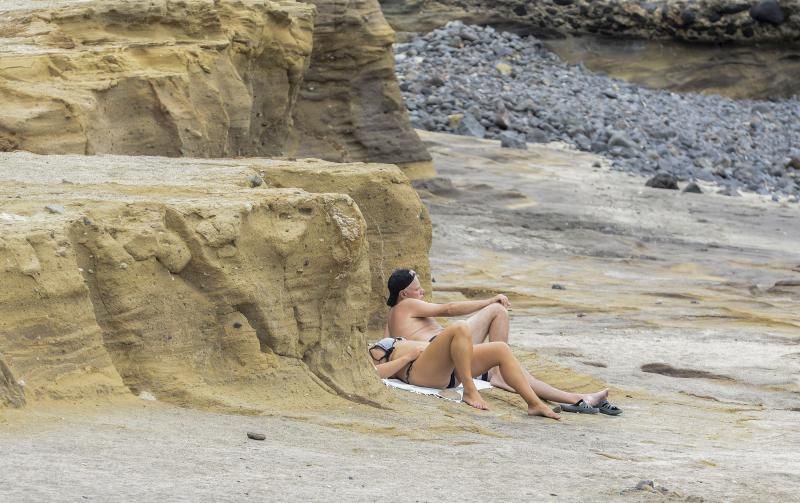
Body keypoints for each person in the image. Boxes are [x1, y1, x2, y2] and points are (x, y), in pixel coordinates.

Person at [382, 268, 620, 414]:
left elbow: (388, 346)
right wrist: (488, 300)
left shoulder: (391, 318)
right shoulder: (407, 305)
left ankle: (577, 398)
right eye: (417, 289)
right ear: (404, 294)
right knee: (497, 310)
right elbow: (450, 308)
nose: (422, 292)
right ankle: (499, 374)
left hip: (444, 355)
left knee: (514, 364)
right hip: (441, 353)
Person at [369, 321, 561, 419]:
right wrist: (405, 358)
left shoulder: (392, 333)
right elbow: (373, 373)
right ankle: (470, 390)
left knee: (500, 348)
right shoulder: (373, 349)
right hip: (418, 371)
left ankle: (534, 404)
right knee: (460, 327)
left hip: (447, 369)